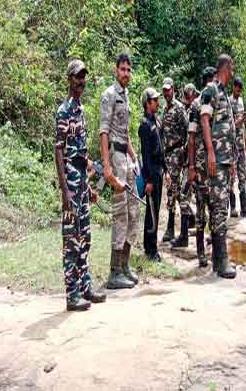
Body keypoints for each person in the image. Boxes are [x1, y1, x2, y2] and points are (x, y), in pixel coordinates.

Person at [54, 59, 106, 311]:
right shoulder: (63, 111)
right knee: (70, 240)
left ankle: (85, 287)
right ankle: (71, 294)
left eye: (83, 78)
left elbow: (81, 154)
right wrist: (65, 193)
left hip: (81, 183)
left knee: (84, 237)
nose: (81, 82)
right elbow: (59, 152)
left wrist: (89, 187)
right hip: (70, 185)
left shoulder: (81, 111)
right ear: (69, 79)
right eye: (77, 77)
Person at [100, 53, 140, 289]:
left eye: (128, 69)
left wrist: (135, 157)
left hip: (126, 157)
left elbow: (125, 133)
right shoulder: (109, 95)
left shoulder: (126, 96)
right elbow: (104, 132)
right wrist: (107, 168)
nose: (126, 73)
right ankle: (114, 272)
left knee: (134, 213)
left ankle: (124, 265)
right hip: (115, 158)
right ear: (116, 70)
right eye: (122, 69)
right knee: (120, 214)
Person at [200, 55, 238, 279]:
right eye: (231, 67)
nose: (232, 71)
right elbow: (205, 120)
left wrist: (231, 161)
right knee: (220, 209)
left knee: (219, 207)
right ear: (226, 67)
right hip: (216, 161)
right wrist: (211, 152)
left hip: (225, 161)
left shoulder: (223, 92)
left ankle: (217, 259)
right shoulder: (211, 90)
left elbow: (228, 129)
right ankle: (222, 260)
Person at [185, 68, 216, 265]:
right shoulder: (196, 106)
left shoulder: (218, 103)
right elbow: (191, 137)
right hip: (200, 166)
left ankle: (215, 251)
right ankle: (200, 253)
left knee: (216, 209)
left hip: (215, 168)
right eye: (211, 82)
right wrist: (191, 166)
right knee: (201, 210)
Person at [161, 77, 190, 246]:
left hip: (177, 154)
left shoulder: (179, 109)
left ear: (174, 89)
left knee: (173, 189)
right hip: (168, 154)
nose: (166, 93)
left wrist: (185, 155)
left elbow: (187, 132)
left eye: (168, 90)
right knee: (173, 190)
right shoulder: (165, 109)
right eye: (164, 90)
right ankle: (176, 224)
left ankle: (173, 228)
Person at [139, 87, 165, 262]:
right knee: (152, 212)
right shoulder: (144, 125)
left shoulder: (157, 121)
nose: (158, 102)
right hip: (151, 173)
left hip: (159, 171)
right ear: (148, 103)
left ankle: (153, 247)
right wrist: (148, 179)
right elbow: (145, 154)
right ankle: (150, 250)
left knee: (156, 208)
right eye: (155, 100)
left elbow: (161, 149)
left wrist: (166, 170)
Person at [230, 77, 246, 219]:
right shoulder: (228, 101)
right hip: (231, 146)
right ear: (233, 87)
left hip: (240, 145)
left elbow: (243, 126)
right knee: (231, 178)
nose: (238, 92)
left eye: (240, 90)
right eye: (237, 89)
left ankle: (244, 208)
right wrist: (238, 122)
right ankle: (233, 208)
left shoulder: (241, 101)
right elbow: (229, 124)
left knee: (242, 176)